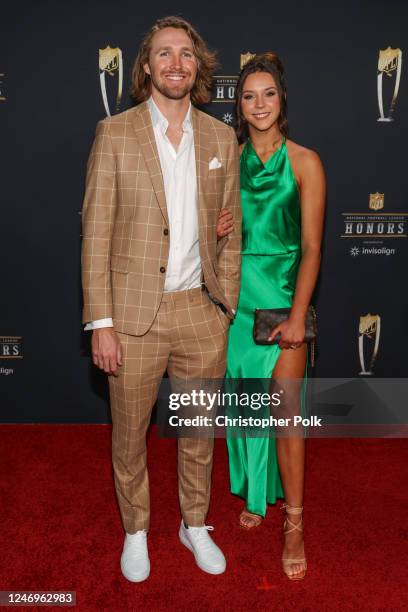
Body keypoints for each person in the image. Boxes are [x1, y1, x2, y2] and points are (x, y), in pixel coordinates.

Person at [81, 16, 241, 582]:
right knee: (130, 435)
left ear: (198, 67)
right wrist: (101, 322)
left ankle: (194, 524)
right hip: (131, 317)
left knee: (199, 432)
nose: (177, 63)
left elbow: (231, 227)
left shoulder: (222, 138)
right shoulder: (115, 132)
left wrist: (226, 306)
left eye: (187, 54)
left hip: (200, 311)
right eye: (165, 53)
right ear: (145, 66)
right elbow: (96, 231)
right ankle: (136, 531)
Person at [217, 53, 326, 580]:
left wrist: (299, 318)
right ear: (238, 105)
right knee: (245, 409)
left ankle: (296, 523)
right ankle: (257, 495)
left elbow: (311, 248)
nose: (259, 104)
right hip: (237, 308)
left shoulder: (305, 161)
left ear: (282, 100)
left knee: (285, 416)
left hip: (284, 302)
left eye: (269, 94)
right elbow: (217, 236)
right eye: (248, 95)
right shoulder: (226, 160)